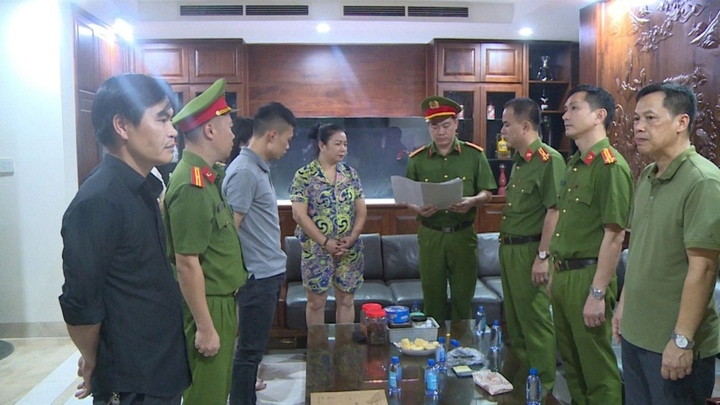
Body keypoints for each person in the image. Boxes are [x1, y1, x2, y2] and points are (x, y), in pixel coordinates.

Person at [58, 74, 191, 404]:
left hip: (160, 364)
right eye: (161, 119)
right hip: (133, 377)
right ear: (122, 126)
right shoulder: (99, 200)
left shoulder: (142, 187)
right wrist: (93, 357)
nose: (173, 131)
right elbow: (80, 303)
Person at [612, 82, 720, 404]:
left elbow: (703, 270)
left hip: (673, 342)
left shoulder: (702, 181)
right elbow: (638, 250)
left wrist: (682, 340)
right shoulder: (648, 175)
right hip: (636, 333)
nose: (638, 127)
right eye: (636, 119)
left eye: (650, 118)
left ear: (681, 122)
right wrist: (623, 305)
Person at [163, 78, 248, 405]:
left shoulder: (207, 177)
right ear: (210, 130)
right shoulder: (192, 184)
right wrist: (205, 326)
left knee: (216, 391)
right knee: (206, 396)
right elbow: (186, 262)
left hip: (219, 300)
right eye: (229, 127)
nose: (233, 135)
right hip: (208, 303)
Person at [548, 84, 632, 404]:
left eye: (574, 108)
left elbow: (614, 235)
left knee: (597, 370)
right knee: (572, 366)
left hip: (589, 276)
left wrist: (597, 293)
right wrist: (553, 272)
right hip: (564, 274)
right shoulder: (575, 164)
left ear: (599, 116)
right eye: (565, 109)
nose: (565, 115)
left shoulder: (610, 166)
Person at [224, 102, 297, 405]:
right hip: (256, 277)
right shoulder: (244, 172)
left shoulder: (257, 168)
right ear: (271, 135)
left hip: (267, 273)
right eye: (287, 139)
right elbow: (229, 231)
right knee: (248, 354)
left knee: (252, 352)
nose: (288, 146)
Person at [406, 96, 496, 324]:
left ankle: (462, 343)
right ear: (429, 128)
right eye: (434, 126)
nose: (441, 132)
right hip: (431, 235)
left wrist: (471, 201)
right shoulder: (417, 159)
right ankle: (431, 344)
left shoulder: (474, 155)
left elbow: (487, 193)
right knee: (432, 299)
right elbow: (408, 196)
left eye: (446, 125)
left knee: (463, 298)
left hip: (462, 235)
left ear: (456, 124)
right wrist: (418, 208)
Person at [497, 97, 564, 391]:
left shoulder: (549, 160)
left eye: (506, 124)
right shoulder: (519, 162)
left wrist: (543, 256)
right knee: (516, 322)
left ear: (525, 126)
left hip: (530, 250)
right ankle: (525, 383)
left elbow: (555, 210)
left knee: (535, 323)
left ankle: (544, 387)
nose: (502, 130)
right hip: (509, 249)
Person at [289, 122, 367, 326]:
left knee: (347, 301)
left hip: (348, 249)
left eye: (345, 144)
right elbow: (299, 215)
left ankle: (344, 345)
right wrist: (325, 242)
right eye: (338, 144)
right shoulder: (304, 176)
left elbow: (361, 210)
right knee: (316, 303)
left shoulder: (350, 174)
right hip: (316, 249)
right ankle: (318, 346)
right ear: (322, 145)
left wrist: (353, 237)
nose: (343, 149)